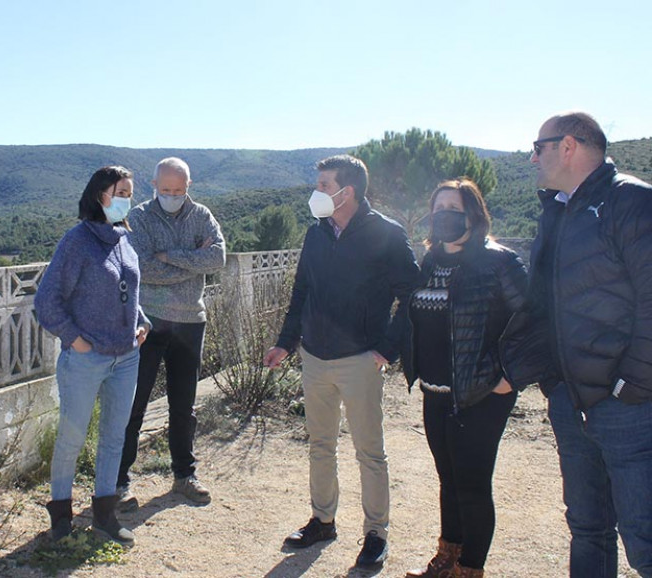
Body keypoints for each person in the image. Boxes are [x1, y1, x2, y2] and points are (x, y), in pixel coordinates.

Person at [501, 112, 652, 577]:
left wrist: (633, 383)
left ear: (568, 146)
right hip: (570, 399)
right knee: (587, 529)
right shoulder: (557, 210)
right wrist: (542, 376)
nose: (532, 157)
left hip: (628, 404)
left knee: (644, 537)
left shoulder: (632, 203)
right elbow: (544, 306)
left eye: (538, 146)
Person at [263, 154, 419, 568]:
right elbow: (301, 292)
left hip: (360, 360)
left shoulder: (387, 234)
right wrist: (285, 343)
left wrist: (387, 349)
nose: (316, 193)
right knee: (321, 445)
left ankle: (375, 534)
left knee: (370, 452)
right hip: (314, 356)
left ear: (346, 191)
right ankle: (322, 520)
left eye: (323, 185)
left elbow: (413, 296)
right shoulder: (317, 235)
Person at [402, 179, 527, 578]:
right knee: (448, 479)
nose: (443, 216)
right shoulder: (429, 263)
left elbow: (534, 322)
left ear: (473, 214)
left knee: (472, 485)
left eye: (452, 208)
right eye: (437, 208)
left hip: (481, 394)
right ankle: (448, 558)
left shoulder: (499, 262)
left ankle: (470, 569)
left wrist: (509, 376)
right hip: (434, 390)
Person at [34, 166, 151, 546]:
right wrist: (74, 339)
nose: (126, 200)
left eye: (130, 194)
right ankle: (62, 518)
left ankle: (104, 515)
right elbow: (46, 300)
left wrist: (142, 322)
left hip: (126, 356)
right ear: (101, 194)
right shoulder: (77, 241)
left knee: (114, 437)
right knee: (71, 437)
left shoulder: (123, 238)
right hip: (86, 359)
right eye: (121, 192)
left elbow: (128, 289)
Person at [116, 157, 226, 507]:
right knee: (134, 404)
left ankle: (184, 475)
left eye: (178, 190)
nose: (172, 195)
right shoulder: (140, 217)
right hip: (147, 322)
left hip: (191, 321)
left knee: (184, 405)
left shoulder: (202, 215)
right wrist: (191, 260)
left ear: (188, 187)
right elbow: (142, 268)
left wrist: (169, 256)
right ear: (154, 186)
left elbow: (218, 258)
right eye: (165, 190)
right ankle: (119, 482)